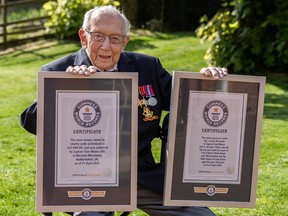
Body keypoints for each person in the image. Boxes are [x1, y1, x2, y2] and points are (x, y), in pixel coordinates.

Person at [20, 5, 228, 216]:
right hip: (87, 179)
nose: (106, 47)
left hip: (140, 176)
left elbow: (189, 101)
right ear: (84, 37)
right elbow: (31, 122)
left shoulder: (148, 67)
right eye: (98, 36)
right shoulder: (58, 71)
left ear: (125, 41)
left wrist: (208, 84)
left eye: (115, 39)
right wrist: (66, 86)